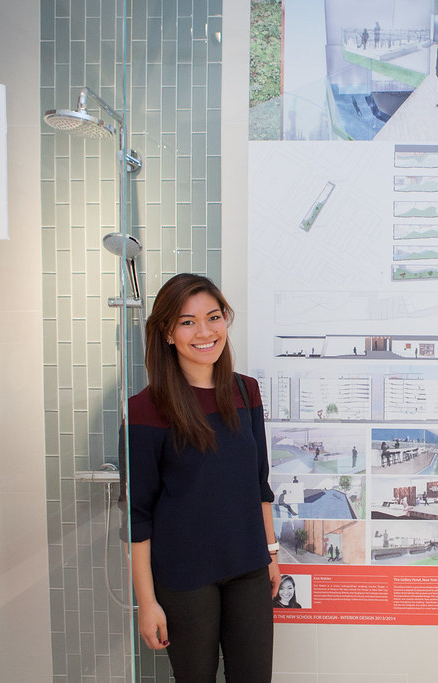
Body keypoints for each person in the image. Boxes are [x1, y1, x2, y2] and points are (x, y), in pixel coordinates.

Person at [126, 273, 279, 681]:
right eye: (188, 321)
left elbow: (259, 483)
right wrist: (147, 601)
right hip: (185, 577)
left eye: (213, 317)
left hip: (248, 568)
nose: (205, 332)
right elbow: (137, 517)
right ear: (167, 332)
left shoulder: (246, 392)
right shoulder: (145, 409)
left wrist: (271, 555)